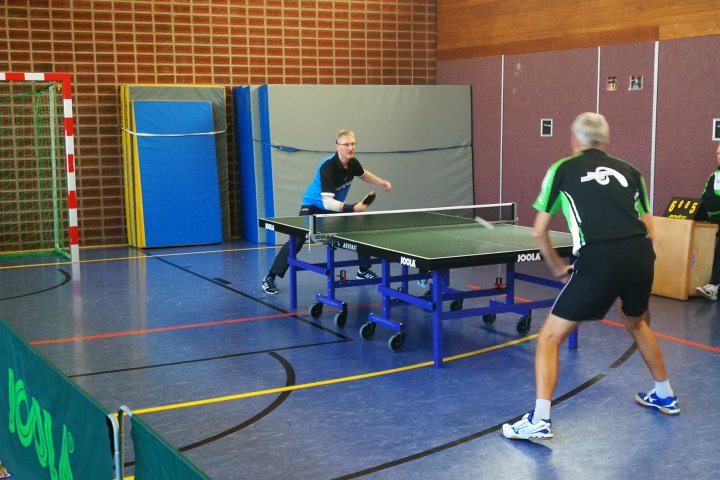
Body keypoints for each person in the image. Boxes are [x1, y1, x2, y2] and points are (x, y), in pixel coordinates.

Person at [502, 112, 679, 441]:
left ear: (574, 139)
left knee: (549, 338)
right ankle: (665, 394)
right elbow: (651, 230)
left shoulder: (562, 169)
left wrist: (557, 266)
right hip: (640, 256)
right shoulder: (632, 171)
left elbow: (539, 231)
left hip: (598, 258)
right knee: (637, 323)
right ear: (605, 140)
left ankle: (539, 420)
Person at [261, 129, 392, 295]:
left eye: (353, 144)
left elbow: (363, 174)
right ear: (337, 146)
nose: (350, 148)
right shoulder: (328, 167)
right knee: (298, 239)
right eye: (346, 144)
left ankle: (363, 270)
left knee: (361, 227)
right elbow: (327, 202)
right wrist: (352, 208)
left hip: (333, 208)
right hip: (313, 206)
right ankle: (270, 277)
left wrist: (380, 182)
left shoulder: (353, 163)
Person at [696, 142, 720, 301]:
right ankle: (713, 285)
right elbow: (707, 200)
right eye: (718, 153)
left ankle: (714, 286)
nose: (719, 157)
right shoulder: (714, 177)